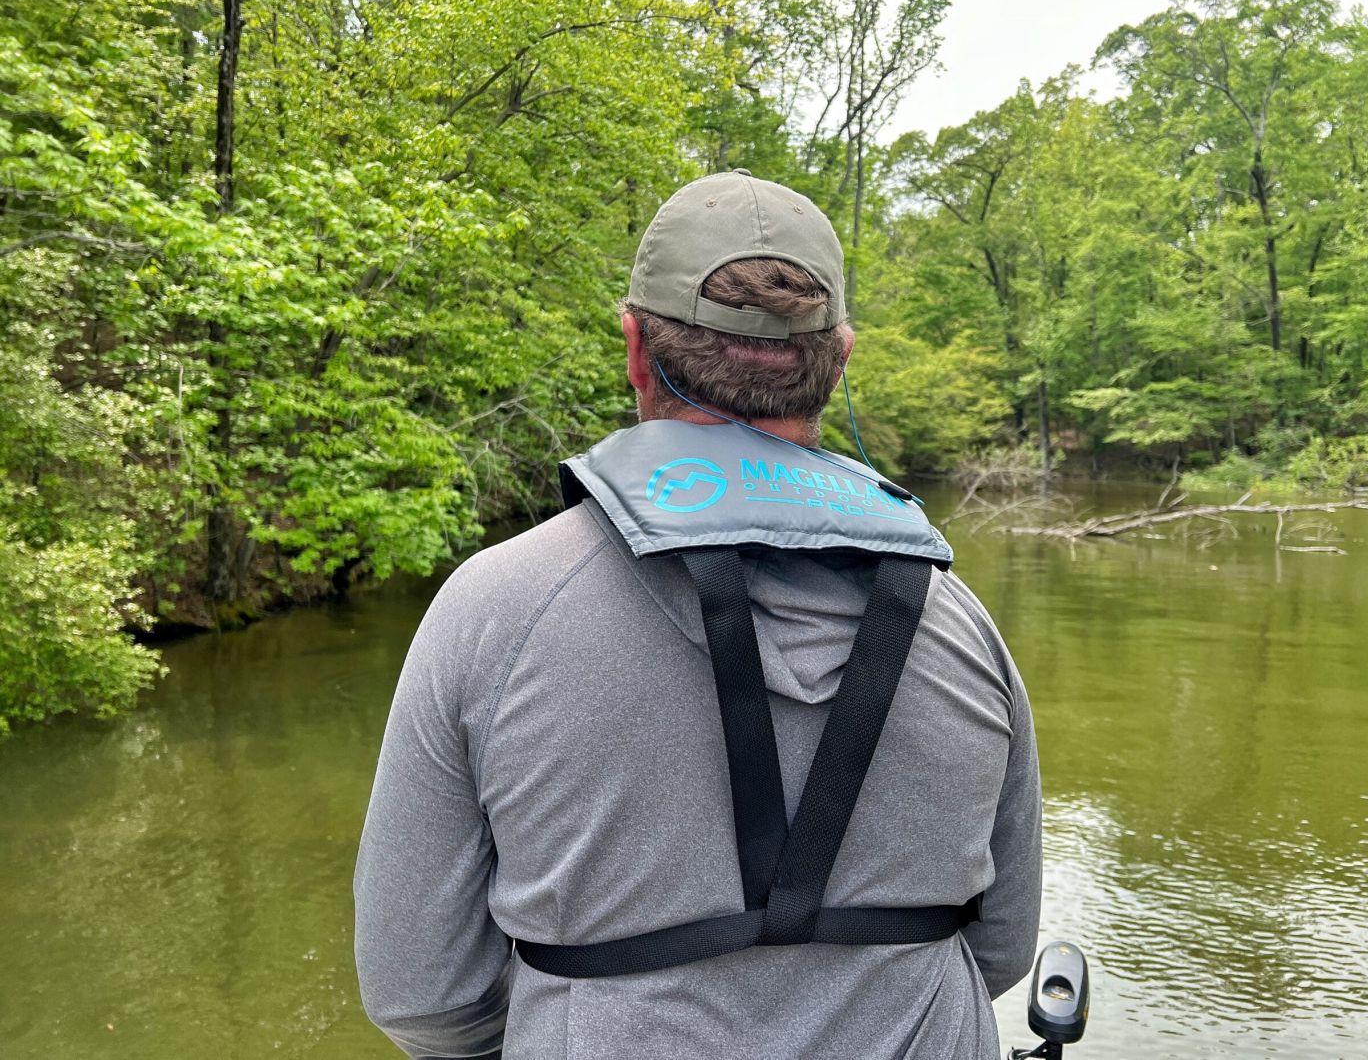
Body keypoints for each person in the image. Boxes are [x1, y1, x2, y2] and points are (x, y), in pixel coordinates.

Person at [354, 169, 1042, 1060]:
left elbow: (422, 995)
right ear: (838, 361)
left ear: (637, 348)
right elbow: (998, 948)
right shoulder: (964, 627)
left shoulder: (492, 611)